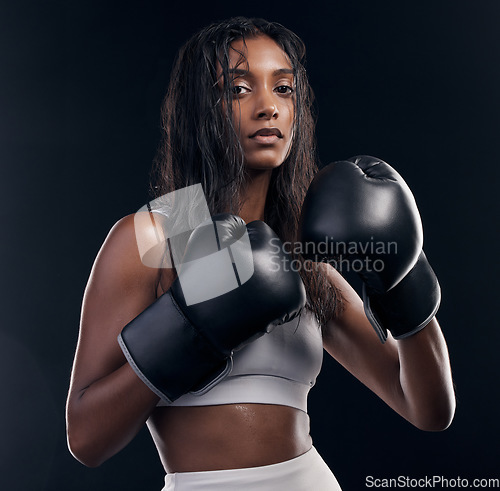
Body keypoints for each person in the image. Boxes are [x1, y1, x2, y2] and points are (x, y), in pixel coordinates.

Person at [65, 17, 456, 490]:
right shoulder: (155, 235)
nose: (268, 106)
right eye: (239, 89)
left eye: (284, 88)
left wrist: (404, 278)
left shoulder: (298, 249)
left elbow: (428, 409)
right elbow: (86, 438)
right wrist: (187, 332)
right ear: (200, 109)